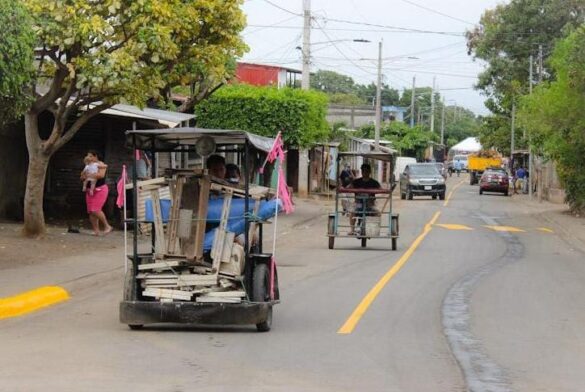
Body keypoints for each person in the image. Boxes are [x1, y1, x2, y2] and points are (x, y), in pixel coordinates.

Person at [81, 150, 112, 236]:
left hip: (100, 189)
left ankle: (107, 226)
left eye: (91, 156)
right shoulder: (88, 165)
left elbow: (101, 175)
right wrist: (84, 176)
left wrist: (89, 175)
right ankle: (96, 230)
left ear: (96, 157)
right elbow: (82, 176)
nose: (89, 158)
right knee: (91, 211)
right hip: (89, 190)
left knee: (95, 209)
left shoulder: (100, 164)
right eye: (88, 156)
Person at [348, 163, 381, 234]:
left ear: (369, 172)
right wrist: (349, 183)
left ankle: (374, 229)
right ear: (361, 171)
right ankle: (352, 229)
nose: (365, 173)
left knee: (378, 213)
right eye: (363, 171)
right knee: (352, 212)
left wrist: (384, 191)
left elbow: (381, 189)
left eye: (366, 171)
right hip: (358, 204)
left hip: (370, 204)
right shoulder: (356, 182)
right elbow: (349, 188)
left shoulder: (374, 182)